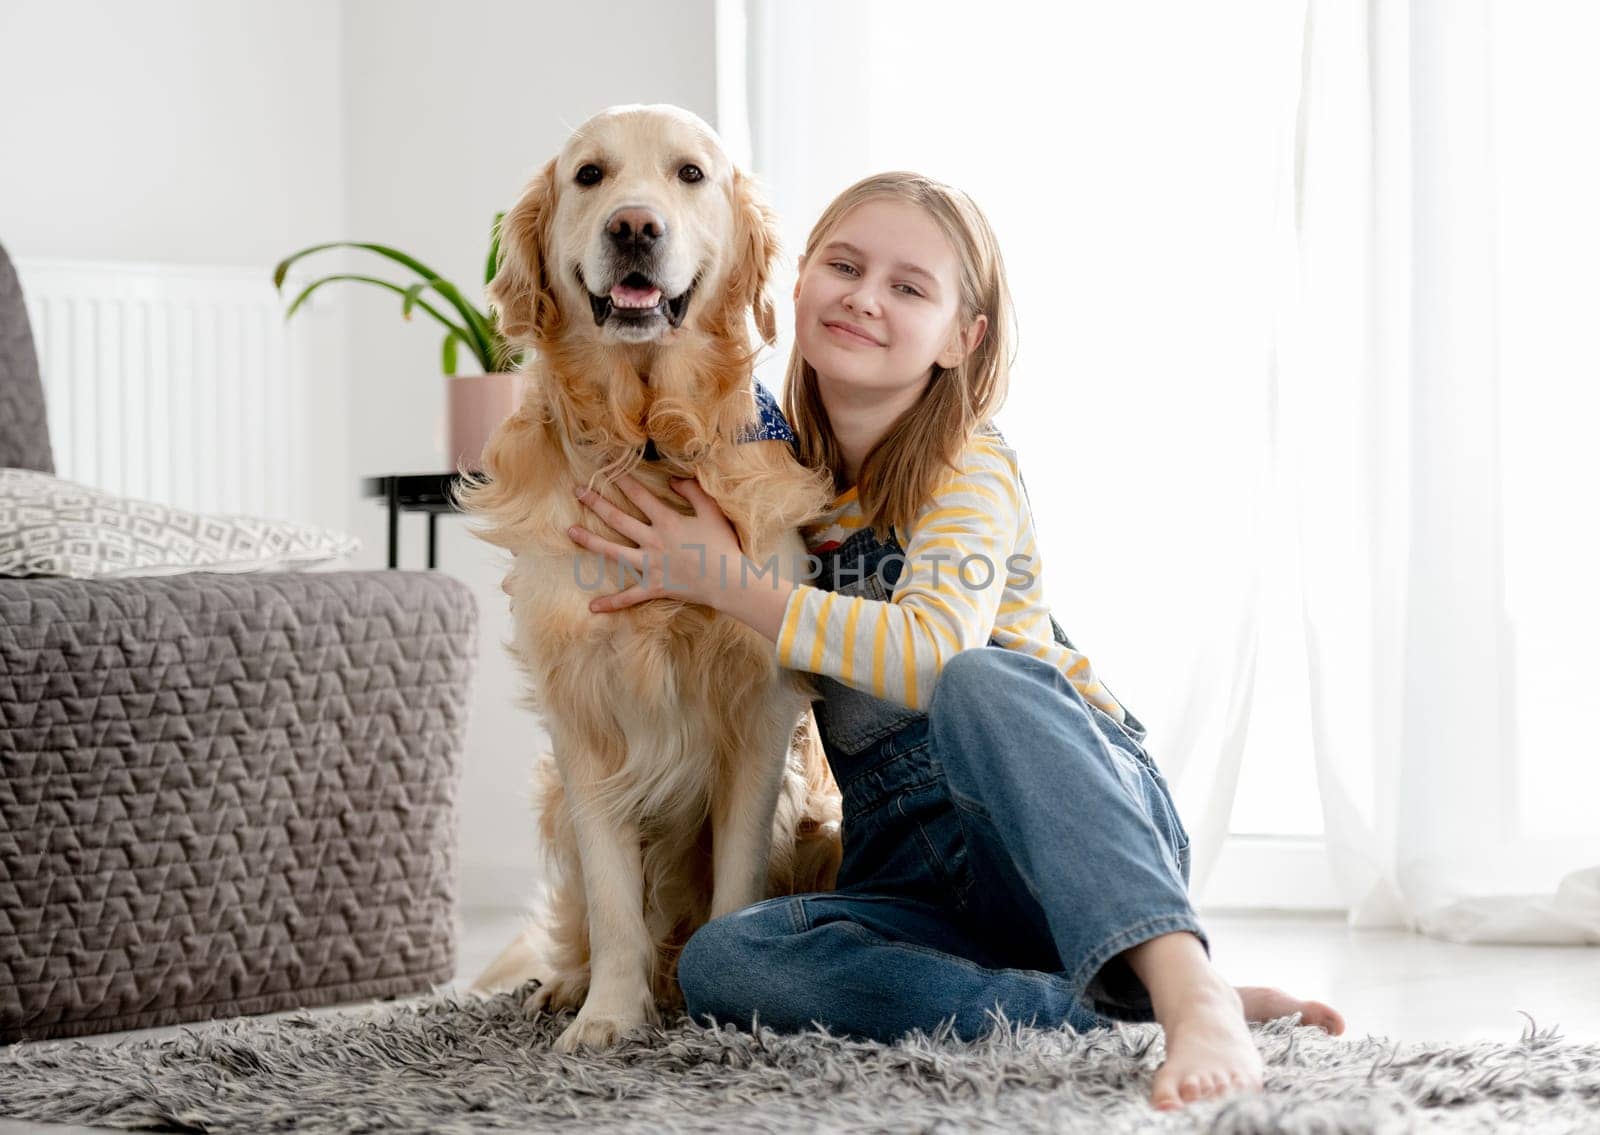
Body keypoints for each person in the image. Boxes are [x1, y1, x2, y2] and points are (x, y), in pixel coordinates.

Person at [564, 171, 1345, 1111]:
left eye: (910, 287)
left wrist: (731, 584)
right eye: (844, 266)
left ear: (960, 340)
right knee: (729, 963)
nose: (864, 296)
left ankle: (1188, 986)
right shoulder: (776, 482)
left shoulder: (972, 464)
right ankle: (1088, 1013)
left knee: (983, 680)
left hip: (1063, 836)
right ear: (797, 283)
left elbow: (933, 656)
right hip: (917, 881)